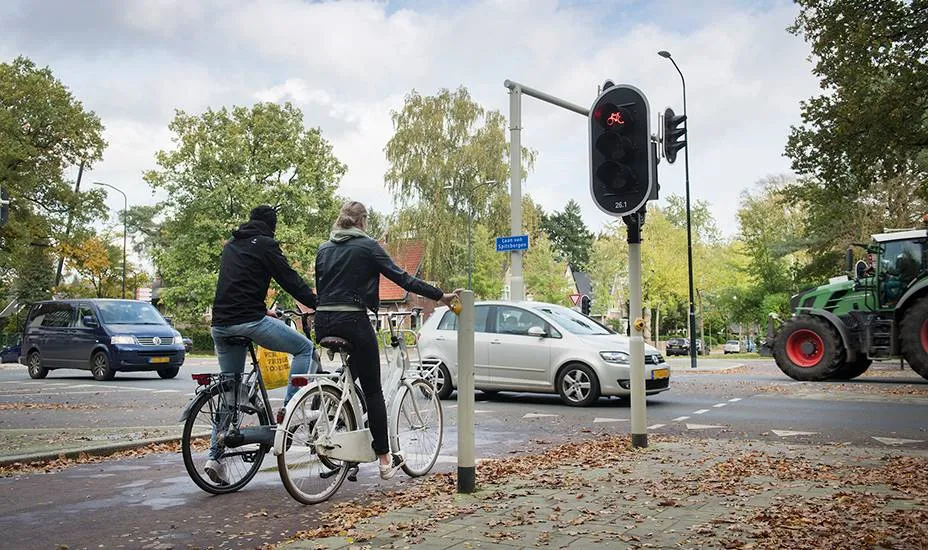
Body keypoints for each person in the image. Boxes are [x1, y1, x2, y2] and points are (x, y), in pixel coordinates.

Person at [314, 201, 459, 480]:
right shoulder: (368, 246)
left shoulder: (324, 248)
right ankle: (383, 459)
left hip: (323, 321)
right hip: (353, 321)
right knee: (373, 390)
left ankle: (338, 410)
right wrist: (440, 295)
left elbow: (322, 287)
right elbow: (402, 278)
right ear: (362, 222)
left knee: (351, 373)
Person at [206, 205, 318, 485]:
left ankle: (214, 457)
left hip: (221, 324)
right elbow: (290, 280)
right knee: (305, 349)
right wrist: (319, 303)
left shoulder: (232, 244)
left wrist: (261, 308)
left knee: (230, 390)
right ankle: (289, 414)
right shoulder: (266, 244)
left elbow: (237, 285)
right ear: (272, 225)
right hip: (249, 321)